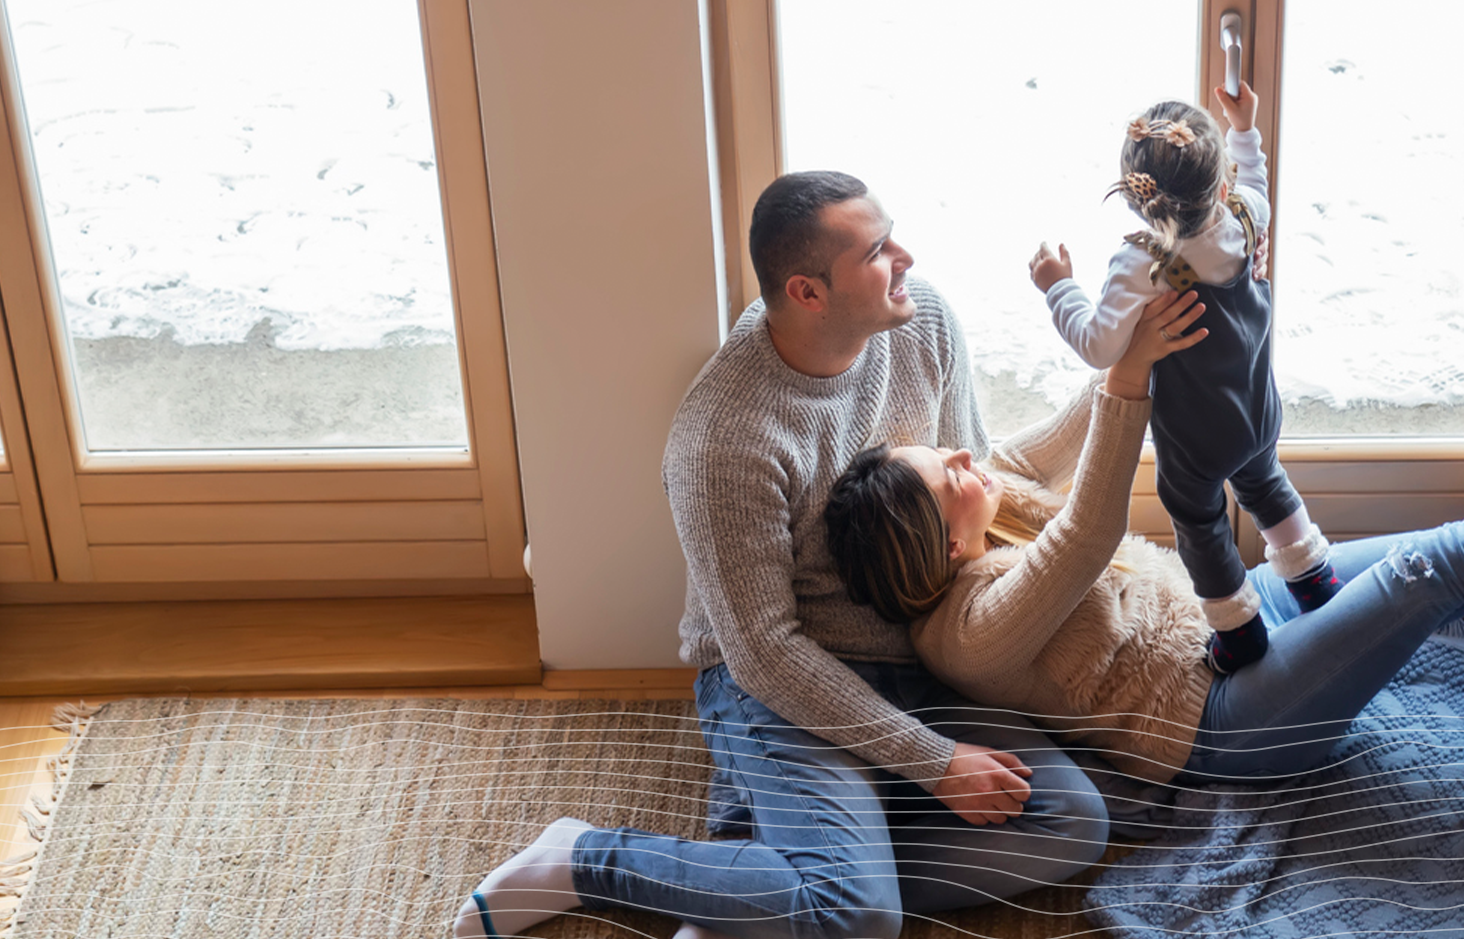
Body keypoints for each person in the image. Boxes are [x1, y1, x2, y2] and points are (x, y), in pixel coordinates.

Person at [452, 172, 1109, 939]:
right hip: (779, 681)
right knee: (858, 915)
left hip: (925, 652)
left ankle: (752, 895)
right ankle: (586, 857)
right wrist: (932, 761)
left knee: (1072, 819)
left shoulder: (923, 322)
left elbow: (979, 476)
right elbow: (762, 650)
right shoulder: (726, 435)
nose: (906, 255)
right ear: (807, 292)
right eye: (877, 250)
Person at [822, 289, 1464, 795]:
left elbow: (1086, 415)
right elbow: (1086, 537)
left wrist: (1163, 309)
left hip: (1235, 613)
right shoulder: (968, 634)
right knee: (1437, 568)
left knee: (1443, 552)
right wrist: (1133, 371)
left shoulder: (994, 498)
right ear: (948, 547)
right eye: (948, 472)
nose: (962, 451)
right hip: (1229, 716)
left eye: (942, 450)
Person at [1027, 83, 1339, 675]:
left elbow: (1098, 345)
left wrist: (1057, 288)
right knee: (1265, 480)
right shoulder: (1247, 217)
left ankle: (1238, 630)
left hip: (1197, 432)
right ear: (1221, 187)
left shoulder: (1144, 265)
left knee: (1197, 516)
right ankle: (1316, 580)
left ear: (1138, 202)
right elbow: (1255, 178)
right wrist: (1244, 127)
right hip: (1257, 407)